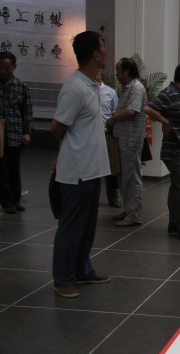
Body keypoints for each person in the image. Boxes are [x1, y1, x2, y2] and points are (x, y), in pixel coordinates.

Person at [49, 31, 111, 298]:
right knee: (71, 227)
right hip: (77, 171)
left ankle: (82, 270)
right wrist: (64, 154)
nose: (106, 50)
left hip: (93, 169)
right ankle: (63, 278)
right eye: (103, 46)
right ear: (95, 54)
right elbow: (57, 126)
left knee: (86, 227)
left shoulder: (91, 84)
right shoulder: (74, 87)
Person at [144, 63, 180, 242]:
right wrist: (164, 122)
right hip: (175, 151)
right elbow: (148, 108)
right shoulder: (169, 93)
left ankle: (174, 222)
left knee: (178, 186)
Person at [106, 57, 147, 227]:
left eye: (118, 71)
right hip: (123, 141)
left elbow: (131, 111)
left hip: (131, 141)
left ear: (127, 71)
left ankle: (134, 215)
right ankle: (128, 209)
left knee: (132, 179)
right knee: (124, 179)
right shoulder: (127, 88)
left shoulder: (136, 88)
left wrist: (113, 119)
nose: (116, 74)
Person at [0, 51, 32, 214]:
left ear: (14, 67)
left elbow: (27, 112)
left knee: (14, 168)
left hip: (15, 133)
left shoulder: (21, 87)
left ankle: (15, 199)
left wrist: (27, 132)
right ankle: (7, 202)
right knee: (1, 169)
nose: (2, 71)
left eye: (6, 68)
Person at [97, 71, 120, 208]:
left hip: (106, 134)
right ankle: (92, 197)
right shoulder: (86, 91)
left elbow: (115, 113)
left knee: (110, 168)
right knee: (93, 167)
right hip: (91, 136)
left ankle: (113, 198)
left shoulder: (110, 93)